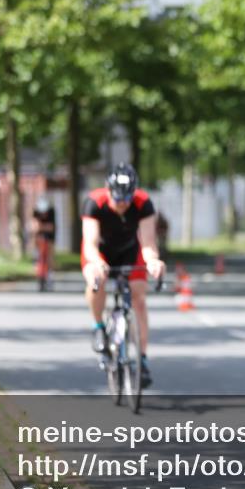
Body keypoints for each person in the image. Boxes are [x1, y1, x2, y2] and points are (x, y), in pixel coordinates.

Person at [81, 163, 165, 387]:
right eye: (118, 198)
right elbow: (90, 243)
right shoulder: (94, 202)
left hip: (129, 250)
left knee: (139, 298)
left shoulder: (143, 203)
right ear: (108, 191)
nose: (122, 204)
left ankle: (142, 359)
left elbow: (148, 243)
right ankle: (99, 327)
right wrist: (98, 263)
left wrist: (153, 261)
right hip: (100, 251)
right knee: (95, 278)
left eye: (127, 199)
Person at [31, 197, 56, 291]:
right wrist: (40, 227)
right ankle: (39, 275)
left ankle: (50, 276)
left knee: (49, 257)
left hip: (49, 238)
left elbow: (51, 228)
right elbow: (34, 227)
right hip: (38, 237)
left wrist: (41, 227)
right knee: (38, 257)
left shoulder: (51, 212)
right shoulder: (35, 212)